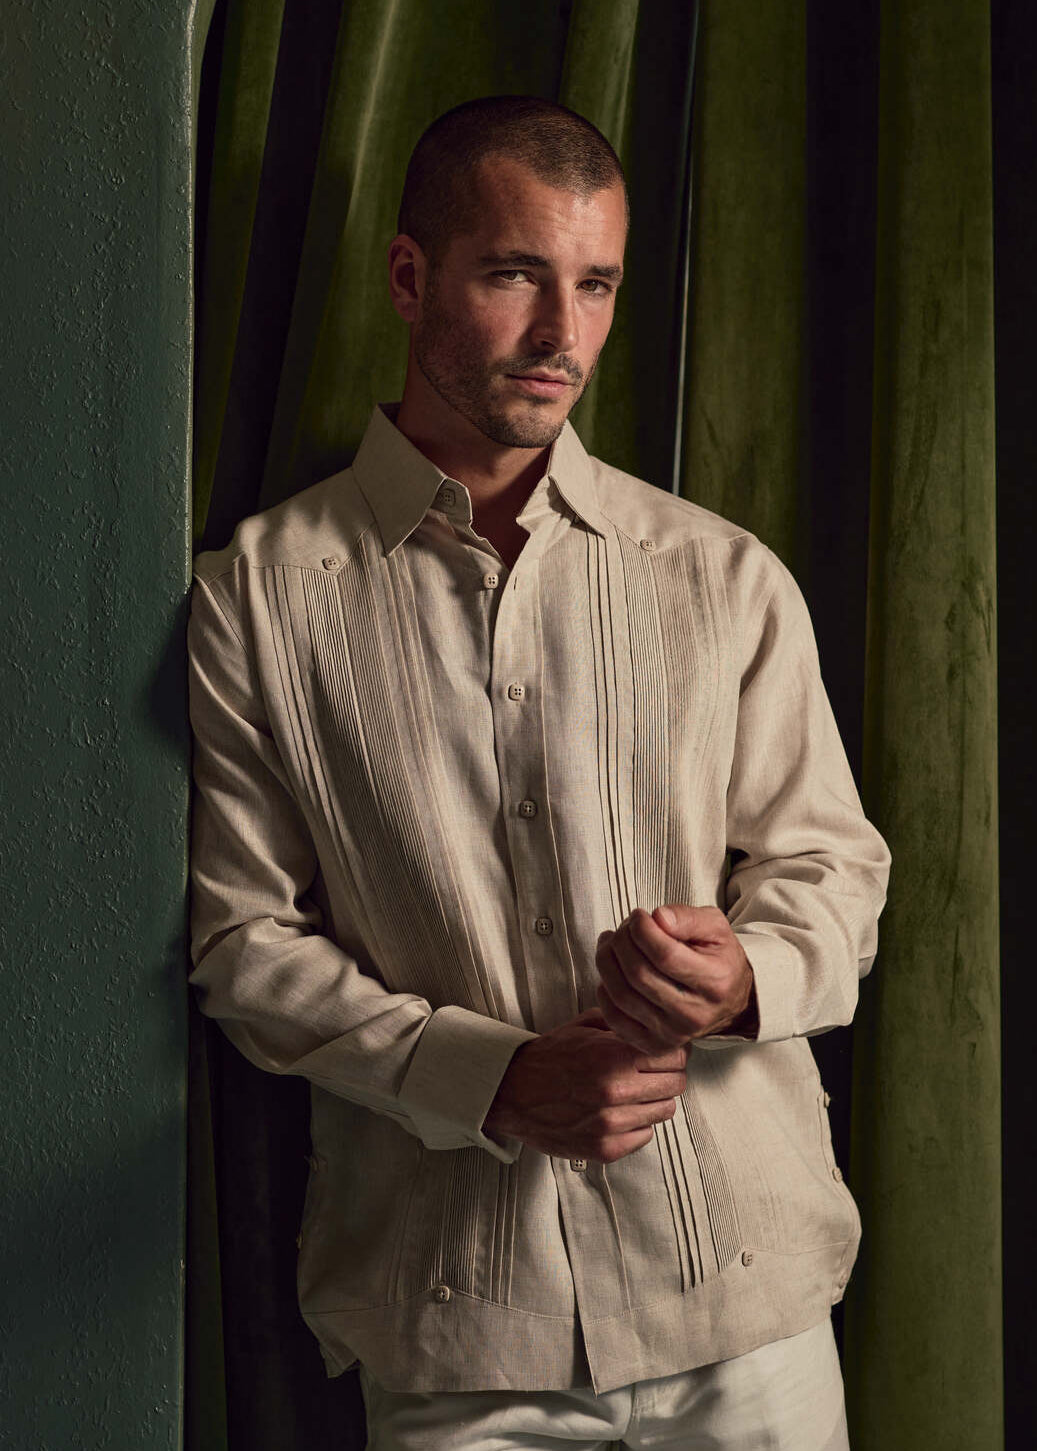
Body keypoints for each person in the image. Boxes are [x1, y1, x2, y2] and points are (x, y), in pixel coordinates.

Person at [187, 95, 890, 1450]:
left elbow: (831, 864)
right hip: (457, 1333)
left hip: (745, 1313)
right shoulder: (261, 598)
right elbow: (240, 941)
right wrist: (489, 1078)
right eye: (515, 276)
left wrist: (747, 974)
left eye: (595, 285)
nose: (562, 336)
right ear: (409, 277)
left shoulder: (721, 576)